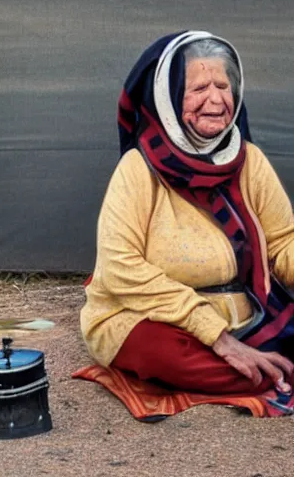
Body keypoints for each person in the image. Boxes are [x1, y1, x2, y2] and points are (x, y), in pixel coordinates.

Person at [80, 30, 294, 397]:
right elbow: (119, 268)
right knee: (163, 353)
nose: (215, 99)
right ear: (170, 95)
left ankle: (261, 369)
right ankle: (261, 370)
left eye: (223, 86)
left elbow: (282, 241)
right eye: (198, 88)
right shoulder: (139, 168)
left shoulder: (248, 161)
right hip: (153, 315)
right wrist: (215, 334)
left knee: (268, 358)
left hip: (246, 313)